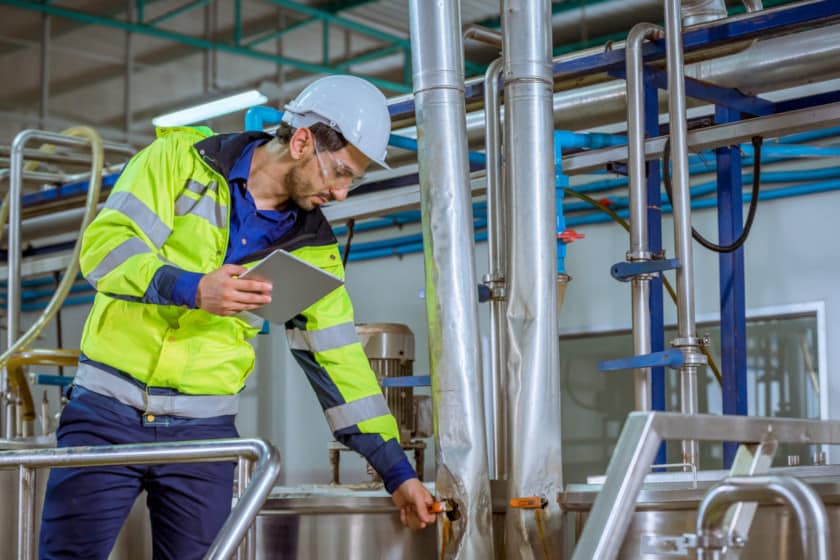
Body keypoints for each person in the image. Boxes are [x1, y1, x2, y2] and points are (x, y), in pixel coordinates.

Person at [38, 75, 435, 559]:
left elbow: (341, 362)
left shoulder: (315, 250)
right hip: (106, 411)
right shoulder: (179, 164)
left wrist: (399, 473)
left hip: (202, 434)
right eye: (340, 172)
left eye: (354, 178)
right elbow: (104, 250)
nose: (343, 193)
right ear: (303, 140)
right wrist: (192, 287)